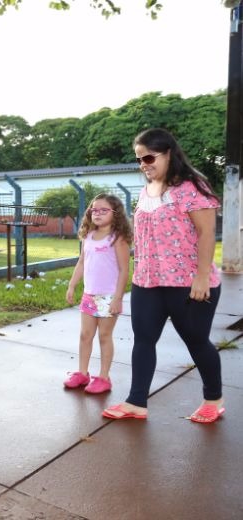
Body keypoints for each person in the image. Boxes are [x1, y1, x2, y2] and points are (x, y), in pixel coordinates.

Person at [103, 128, 224, 424]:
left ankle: (213, 399)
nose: (143, 164)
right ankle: (136, 402)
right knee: (143, 339)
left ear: (168, 152)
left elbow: (207, 233)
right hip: (147, 281)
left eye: (148, 157)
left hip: (187, 281)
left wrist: (202, 276)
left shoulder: (192, 186)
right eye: (139, 159)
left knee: (196, 341)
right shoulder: (147, 191)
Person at [64, 194, 132, 394]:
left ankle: (104, 377)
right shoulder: (88, 236)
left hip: (109, 297)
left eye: (104, 210)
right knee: (85, 335)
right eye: (94, 210)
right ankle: (82, 373)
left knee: (104, 336)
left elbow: (124, 271)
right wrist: (72, 285)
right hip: (89, 295)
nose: (98, 213)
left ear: (115, 214)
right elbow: (82, 262)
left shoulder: (117, 239)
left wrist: (118, 298)